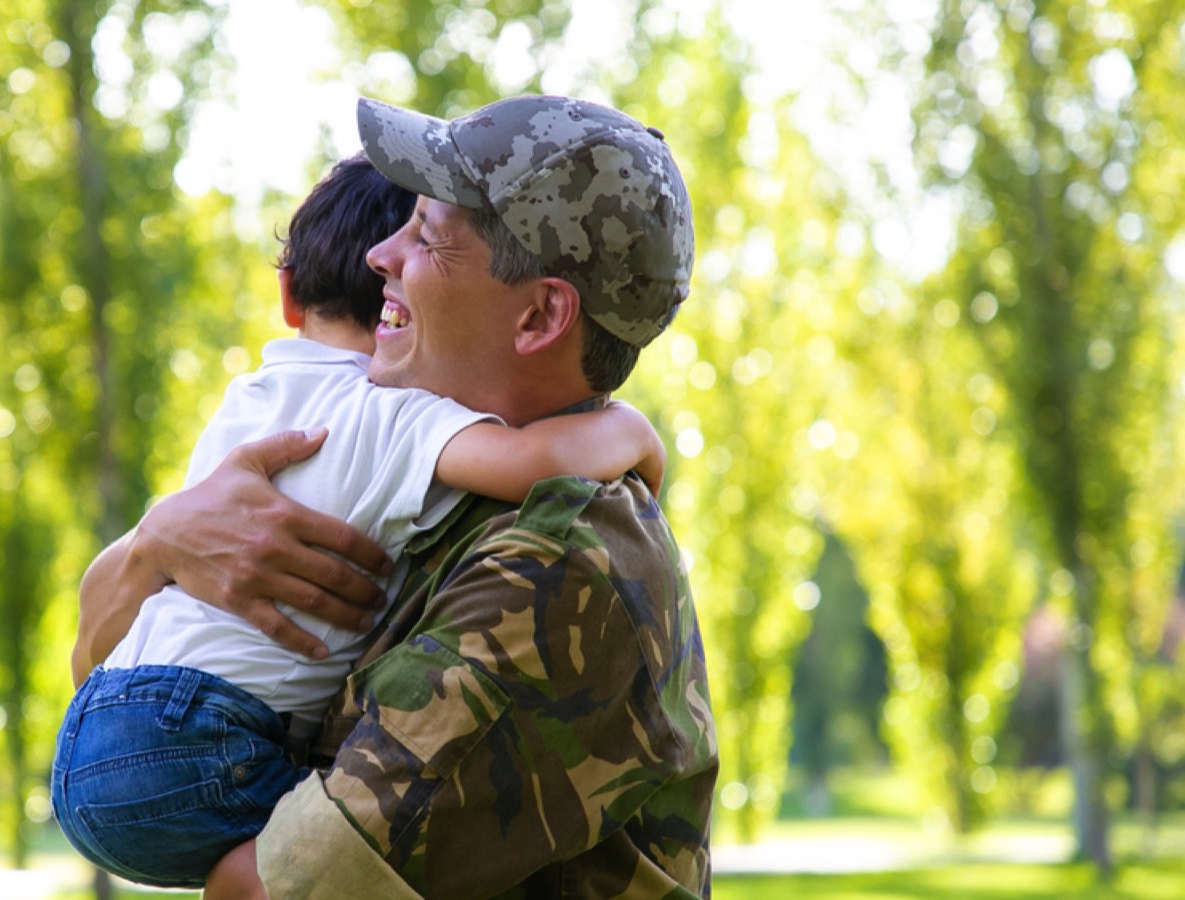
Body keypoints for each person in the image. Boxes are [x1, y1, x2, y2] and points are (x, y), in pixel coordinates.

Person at [76, 95, 717, 900]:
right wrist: (158, 542)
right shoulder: (411, 479)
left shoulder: (559, 558)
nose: (382, 254)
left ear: (540, 314)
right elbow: (96, 674)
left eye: (429, 238)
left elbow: (278, 888)